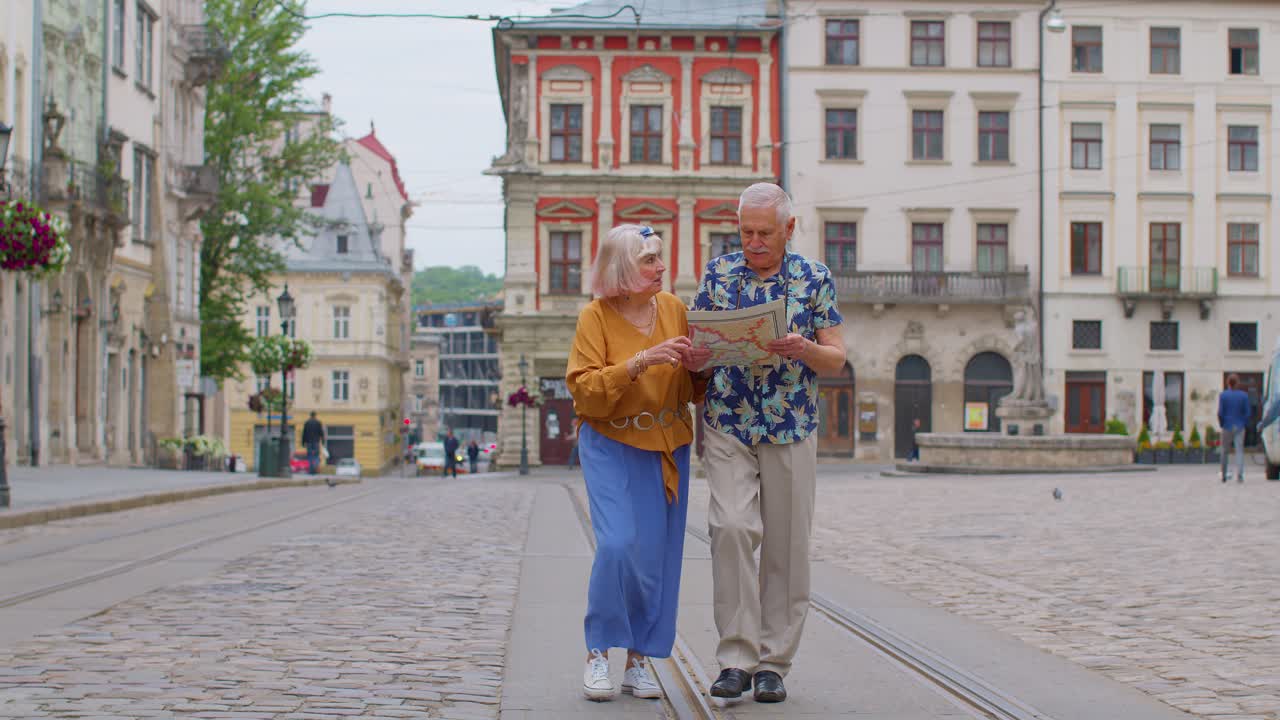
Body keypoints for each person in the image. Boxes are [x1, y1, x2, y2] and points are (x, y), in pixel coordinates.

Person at [683, 183, 847, 705]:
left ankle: (774, 662)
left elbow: (836, 357)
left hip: (791, 423)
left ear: (788, 230)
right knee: (730, 526)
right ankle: (736, 656)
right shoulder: (719, 274)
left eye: (764, 233)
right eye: (746, 232)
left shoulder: (813, 278)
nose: (753, 243)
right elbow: (702, 345)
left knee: (786, 544)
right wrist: (697, 357)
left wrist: (803, 349)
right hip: (729, 418)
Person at [566, 223, 705, 702]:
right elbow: (584, 390)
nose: (661, 267)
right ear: (623, 267)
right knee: (617, 546)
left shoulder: (675, 309)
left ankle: (639, 661)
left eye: (660, 258)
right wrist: (640, 362)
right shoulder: (595, 317)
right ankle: (598, 652)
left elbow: (694, 389)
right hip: (610, 443)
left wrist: (702, 364)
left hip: (667, 444)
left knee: (654, 561)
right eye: (649, 260)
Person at [1218, 374, 1251, 483]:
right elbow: (1247, 413)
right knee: (1239, 450)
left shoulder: (1223, 395)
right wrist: (1244, 423)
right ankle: (1240, 475)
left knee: (1224, 450)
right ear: (1237, 383)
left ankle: (1223, 474)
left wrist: (1222, 424)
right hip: (1239, 425)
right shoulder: (1244, 396)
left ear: (1228, 383)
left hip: (1227, 425)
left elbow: (1220, 413)